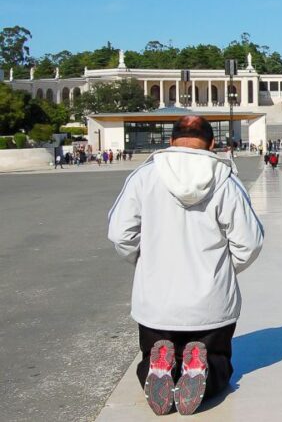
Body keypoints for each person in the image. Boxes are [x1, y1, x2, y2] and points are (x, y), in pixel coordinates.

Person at [108, 116, 264, 416]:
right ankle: (202, 370)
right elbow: (250, 242)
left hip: (156, 301)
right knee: (218, 360)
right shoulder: (225, 180)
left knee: (149, 357)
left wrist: (144, 262)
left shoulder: (144, 177)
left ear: (171, 141)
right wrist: (223, 271)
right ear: (212, 143)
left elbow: (120, 233)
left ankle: (159, 367)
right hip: (210, 304)